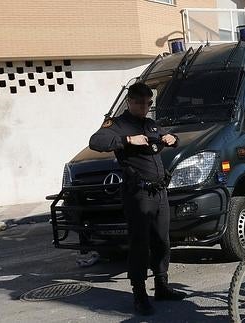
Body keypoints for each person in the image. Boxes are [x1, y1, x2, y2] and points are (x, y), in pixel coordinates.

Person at [89, 83, 186, 316]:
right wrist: (129, 141)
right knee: (140, 245)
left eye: (148, 103)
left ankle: (162, 286)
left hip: (159, 192)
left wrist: (173, 139)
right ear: (130, 102)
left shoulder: (150, 124)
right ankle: (140, 295)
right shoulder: (118, 124)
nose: (144, 107)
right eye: (140, 103)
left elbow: (167, 137)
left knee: (162, 241)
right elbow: (96, 141)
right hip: (139, 194)